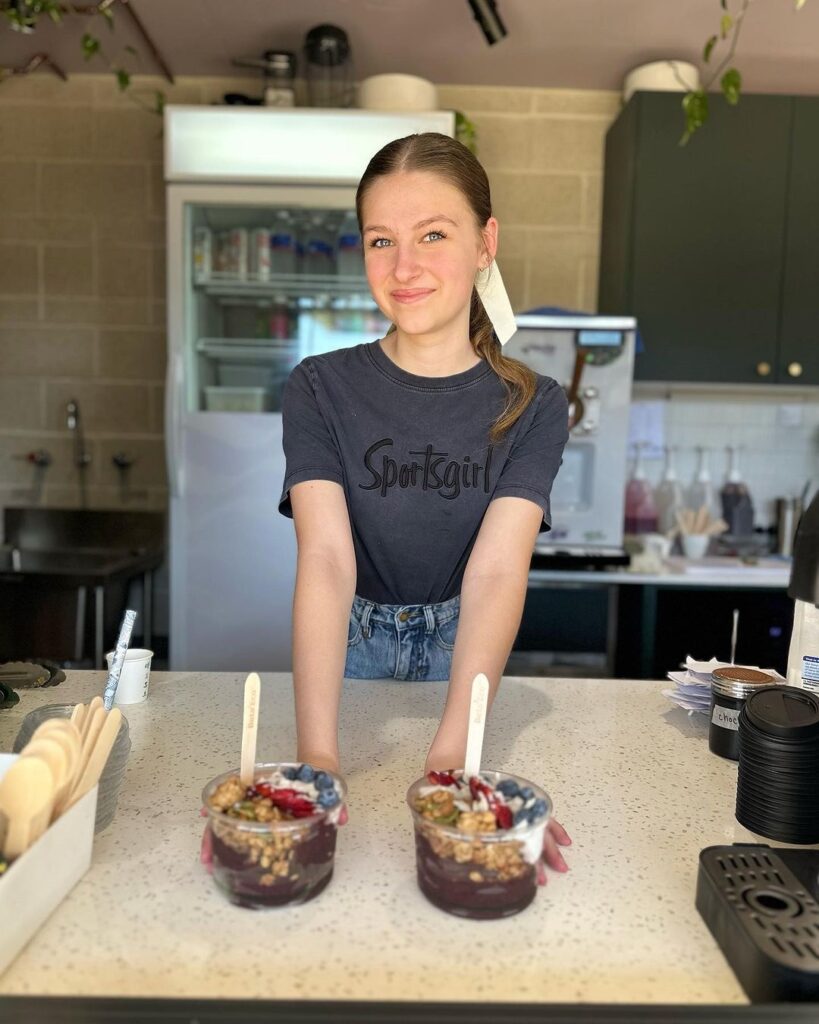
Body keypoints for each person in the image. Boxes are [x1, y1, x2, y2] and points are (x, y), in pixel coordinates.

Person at [278, 132, 571, 873]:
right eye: (382, 240)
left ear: (485, 242)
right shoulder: (318, 386)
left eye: (433, 235)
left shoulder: (535, 405)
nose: (403, 268)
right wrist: (318, 757)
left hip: (464, 654)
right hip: (345, 653)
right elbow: (326, 559)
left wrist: (453, 760)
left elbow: (496, 574)